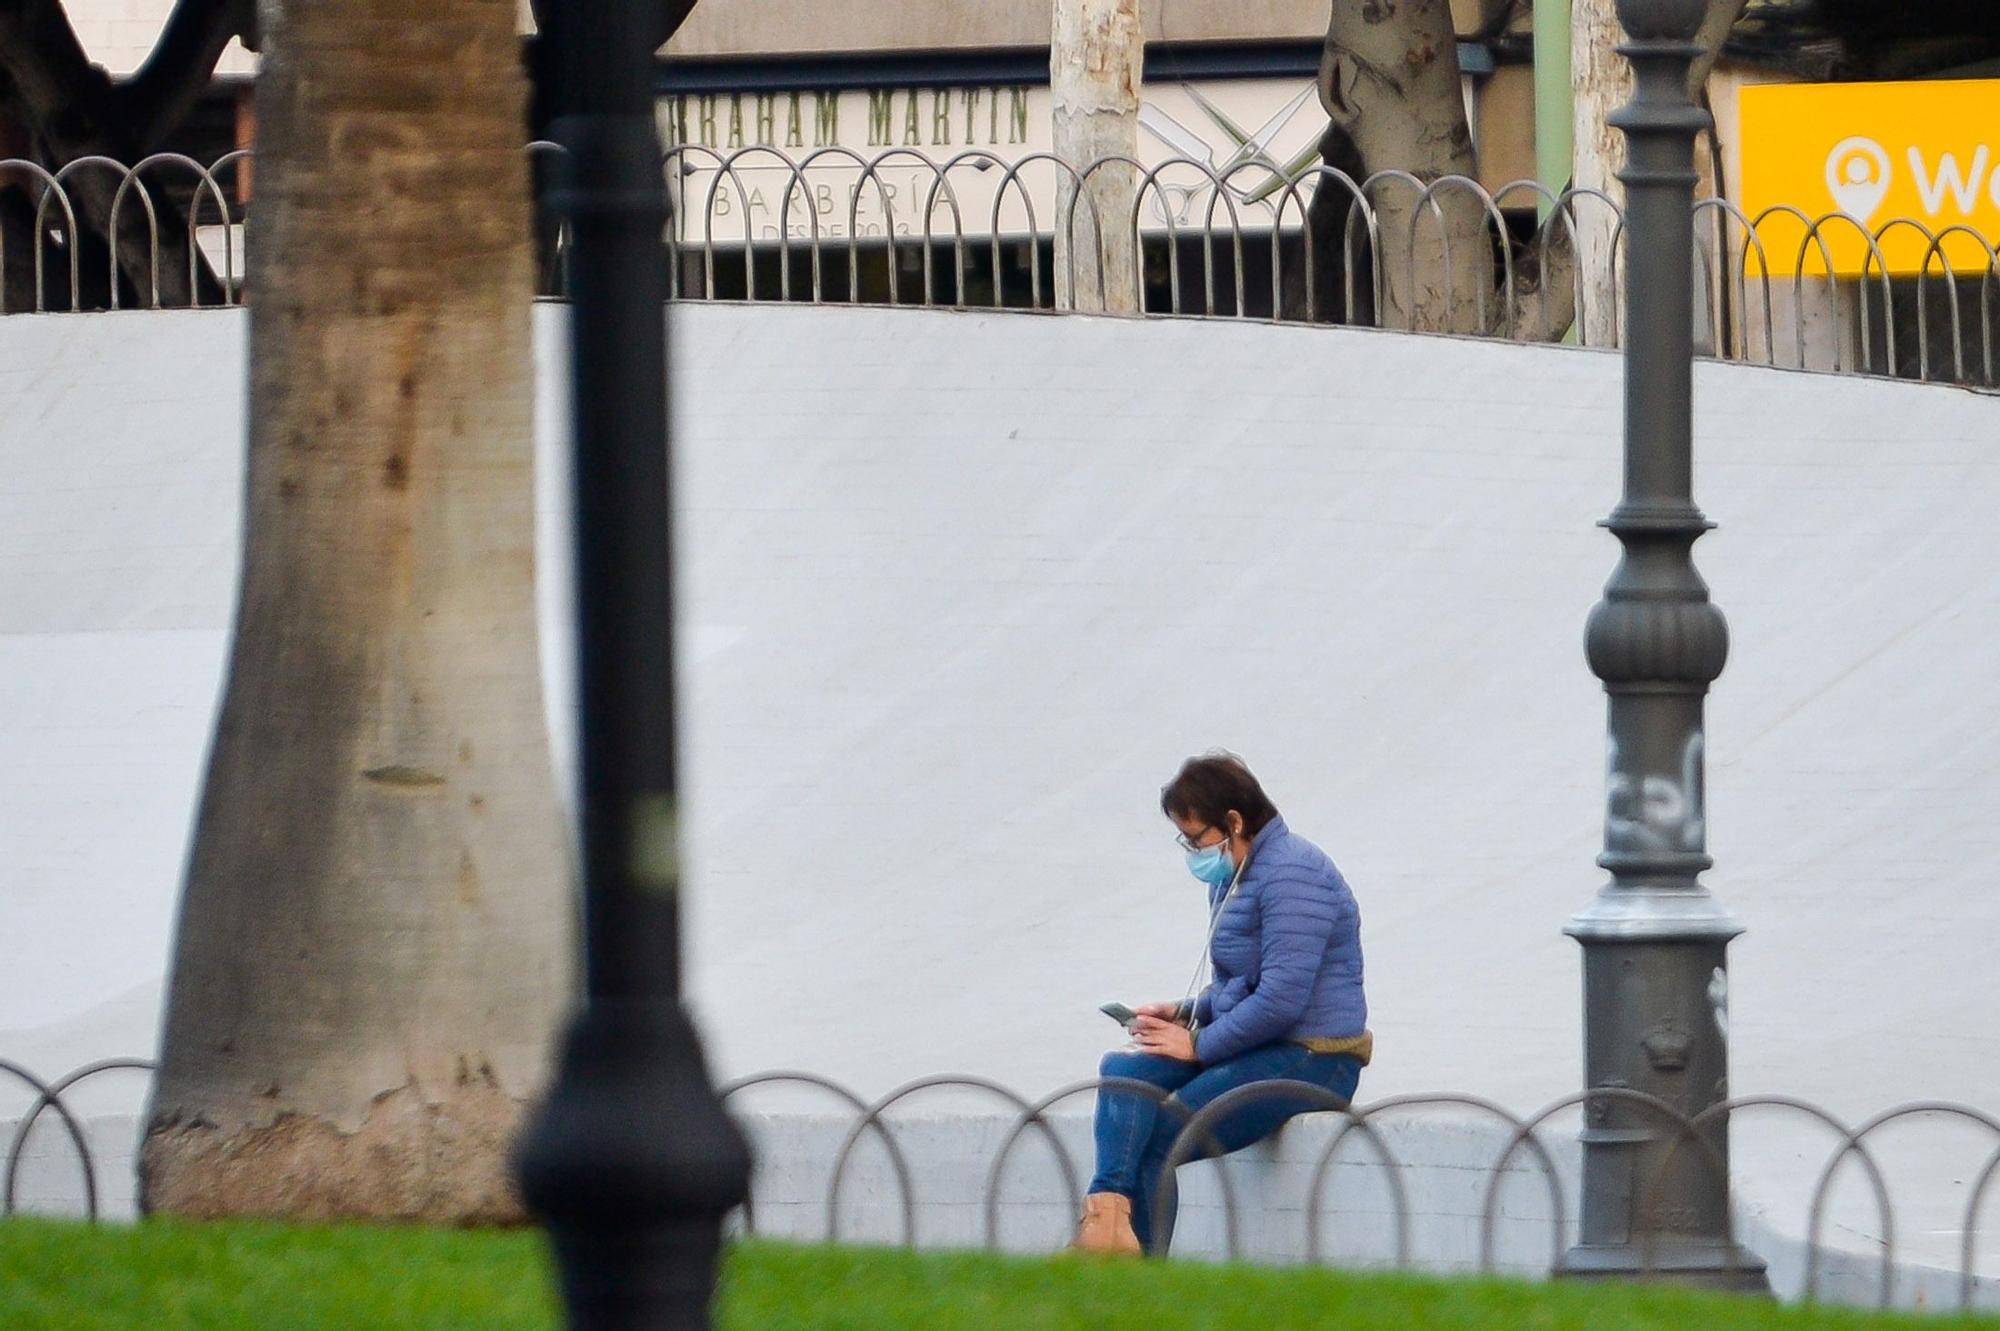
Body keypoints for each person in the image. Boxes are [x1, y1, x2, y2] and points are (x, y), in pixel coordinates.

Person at [1072, 752, 1370, 1255]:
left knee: (1161, 1139)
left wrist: (1199, 1045)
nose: (1192, 852)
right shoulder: (1237, 873)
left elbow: (1280, 1001)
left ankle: (1136, 1279)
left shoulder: (1295, 874)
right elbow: (1240, 985)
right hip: (1259, 1045)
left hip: (1316, 1058)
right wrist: (1188, 1011)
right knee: (1123, 1070)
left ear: (1233, 822)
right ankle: (1106, 1221)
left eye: (1196, 838)